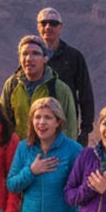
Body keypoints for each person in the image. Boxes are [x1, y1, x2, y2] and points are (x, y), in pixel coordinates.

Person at [1, 34, 79, 212]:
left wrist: (65, 158)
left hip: (56, 157)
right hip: (24, 156)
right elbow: (4, 124)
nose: (29, 58)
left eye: (35, 53)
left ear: (45, 58)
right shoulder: (12, 85)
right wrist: (18, 162)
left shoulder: (60, 89)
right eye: (24, 53)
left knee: (55, 211)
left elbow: (71, 124)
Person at [36, 8, 94, 147]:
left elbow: (85, 93)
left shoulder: (74, 57)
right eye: (44, 23)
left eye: (53, 23)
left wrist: (86, 129)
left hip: (66, 127)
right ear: (38, 27)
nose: (48, 27)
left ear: (60, 28)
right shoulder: (31, 57)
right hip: (37, 126)